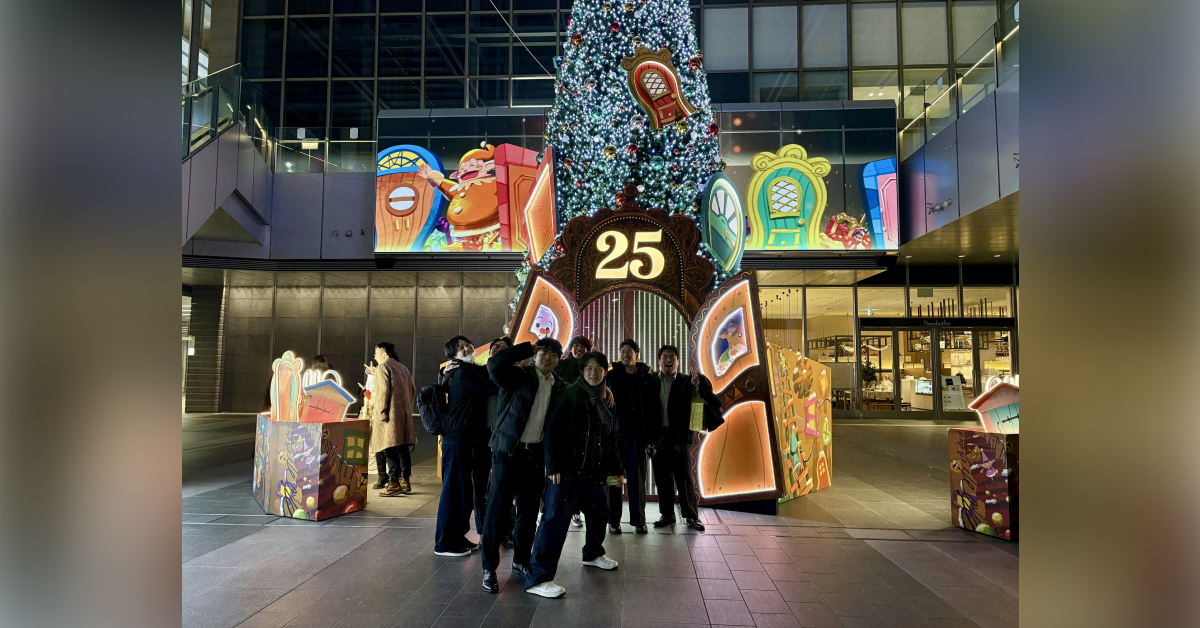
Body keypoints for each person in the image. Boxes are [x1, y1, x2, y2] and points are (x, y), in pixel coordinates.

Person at [524, 351, 623, 599]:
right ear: (581, 371)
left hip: (596, 471)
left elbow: (609, 438)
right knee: (555, 520)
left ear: (604, 371)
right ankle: (538, 577)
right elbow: (553, 431)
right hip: (567, 471)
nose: (593, 372)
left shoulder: (605, 398)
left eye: (598, 368)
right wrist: (553, 466)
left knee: (602, 512)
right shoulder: (569, 393)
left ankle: (593, 554)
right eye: (588, 368)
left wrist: (617, 473)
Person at [479, 338, 568, 594]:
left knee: (528, 512)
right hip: (508, 451)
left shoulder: (559, 386)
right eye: (543, 352)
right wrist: (526, 348)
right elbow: (494, 364)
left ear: (559, 359)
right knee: (498, 509)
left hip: (534, 455)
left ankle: (520, 561)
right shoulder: (516, 376)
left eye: (553, 354)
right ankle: (489, 568)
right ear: (534, 356)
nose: (547, 358)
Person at [647, 345, 724, 532]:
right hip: (657, 438)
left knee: (684, 480)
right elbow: (646, 410)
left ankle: (691, 516)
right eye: (665, 356)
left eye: (672, 356)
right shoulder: (650, 381)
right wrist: (647, 439)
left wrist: (698, 385)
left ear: (678, 361)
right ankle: (667, 515)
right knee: (662, 480)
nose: (668, 359)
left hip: (679, 439)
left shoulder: (687, 381)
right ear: (659, 360)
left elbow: (706, 400)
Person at [435, 335, 497, 557]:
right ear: (453, 355)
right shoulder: (462, 373)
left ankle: (457, 536)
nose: (468, 348)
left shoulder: (463, 370)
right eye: (461, 348)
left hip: (464, 438)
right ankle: (444, 543)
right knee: (453, 491)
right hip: (457, 438)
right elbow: (491, 385)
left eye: (468, 345)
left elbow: (483, 373)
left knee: (462, 490)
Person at [604, 339, 652, 534]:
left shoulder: (646, 376)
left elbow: (652, 407)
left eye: (629, 351)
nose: (625, 354)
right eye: (622, 351)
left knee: (636, 480)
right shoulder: (611, 375)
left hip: (637, 438)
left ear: (636, 354)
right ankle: (613, 520)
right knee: (614, 480)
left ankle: (639, 521)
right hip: (615, 438)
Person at [364, 344, 417, 496]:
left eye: (376, 353)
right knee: (403, 448)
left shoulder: (383, 367)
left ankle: (393, 483)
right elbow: (413, 389)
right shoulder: (402, 368)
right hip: (403, 414)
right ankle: (405, 481)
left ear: (384, 354)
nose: (375, 356)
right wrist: (405, 406)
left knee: (389, 448)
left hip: (389, 416)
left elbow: (382, 393)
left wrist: (381, 413)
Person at [555, 335, 592, 528]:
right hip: (564, 421)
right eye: (576, 346)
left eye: (582, 347)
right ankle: (570, 511)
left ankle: (577, 509)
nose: (578, 349)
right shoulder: (561, 365)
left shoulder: (590, 366)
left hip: (585, 423)